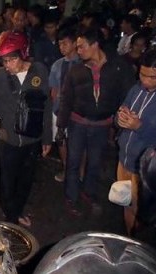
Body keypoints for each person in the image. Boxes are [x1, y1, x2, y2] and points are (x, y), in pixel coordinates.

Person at [56, 27, 135, 217]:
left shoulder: (118, 67)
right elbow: (66, 99)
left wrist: (120, 124)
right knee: (73, 162)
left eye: (82, 47)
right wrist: (60, 126)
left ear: (95, 45)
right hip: (77, 124)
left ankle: (89, 193)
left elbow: (127, 96)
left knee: (94, 163)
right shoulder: (75, 70)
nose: (79, 51)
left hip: (102, 125)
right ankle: (71, 197)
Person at [0, 31, 52, 227]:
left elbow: (47, 105)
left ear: (23, 54)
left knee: (26, 179)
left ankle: (18, 209)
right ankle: (11, 216)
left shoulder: (40, 71)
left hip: (32, 138)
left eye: (11, 60)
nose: (7, 65)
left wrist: (47, 138)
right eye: (4, 61)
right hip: (8, 139)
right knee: (8, 181)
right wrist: (3, 113)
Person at [116, 49, 156, 235]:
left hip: (144, 170)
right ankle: (128, 237)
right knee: (126, 204)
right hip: (125, 159)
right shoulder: (136, 88)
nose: (146, 81)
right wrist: (121, 117)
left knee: (141, 214)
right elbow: (123, 110)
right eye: (142, 75)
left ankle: (138, 245)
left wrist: (139, 126)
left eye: (152, 77)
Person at [48, 26, 80, 183]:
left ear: (75, 43)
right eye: (60, 44)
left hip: (78, 111)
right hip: (59, 110)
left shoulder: (83, 63)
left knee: (77, 142)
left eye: (65, 43)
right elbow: (53, 91)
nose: (62, 47)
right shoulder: (57, 65)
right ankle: (67, 168)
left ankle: (78, 171)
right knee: (61, 140)